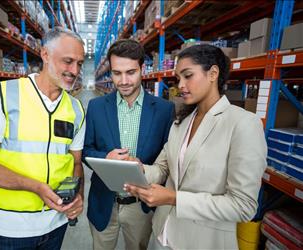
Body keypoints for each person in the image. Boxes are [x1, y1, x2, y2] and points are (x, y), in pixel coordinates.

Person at [125, 44, 267, 250]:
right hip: (162, 235)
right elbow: (163, 168)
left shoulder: (243, 124)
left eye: (188, 75)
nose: (180, 85)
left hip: (203, 242)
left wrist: (174, 199)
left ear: (213, 74)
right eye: (178, 78)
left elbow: (243, 206)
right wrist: (138, 170)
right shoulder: (181, 121)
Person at [0, 27, 86, 250]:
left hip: (56, 223)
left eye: (79, 63)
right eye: (68, 61)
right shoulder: (5, 95)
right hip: (12, 227)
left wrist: (78, 196)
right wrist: (34, 187)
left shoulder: (76, 109)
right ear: (45, 55)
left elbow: (76, 163)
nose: (75, 70)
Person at [83, 39, 175, 250]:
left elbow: (166, 160)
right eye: (116, 73)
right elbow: (86, 150)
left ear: (142, 69)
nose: (123, 80)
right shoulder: (96, 107)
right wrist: (105, 158)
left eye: (130, 72)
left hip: (141, 205)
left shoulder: (163, 110)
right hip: (103, 202)